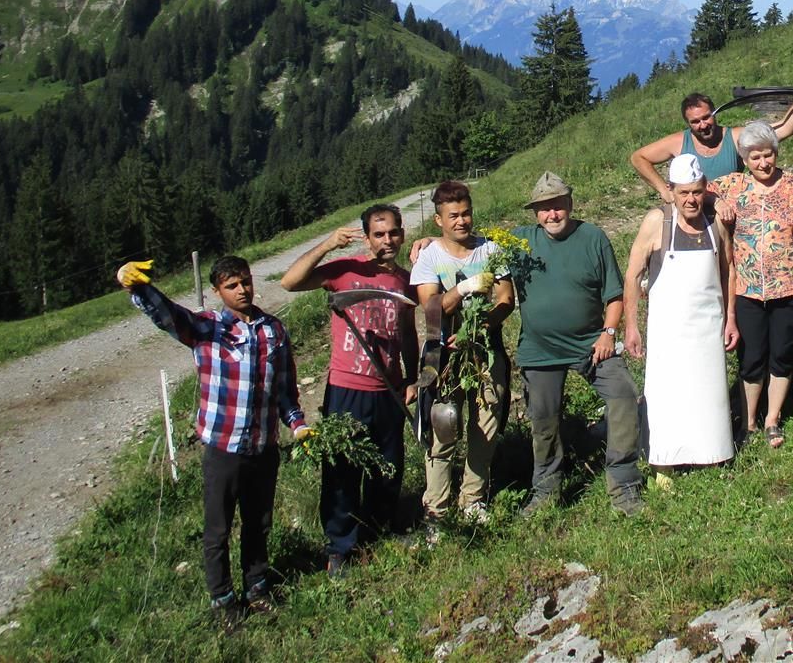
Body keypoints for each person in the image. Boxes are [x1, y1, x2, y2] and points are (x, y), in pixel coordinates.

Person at [117, 256, 310, 627]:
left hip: (263, 446)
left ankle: (257, 588)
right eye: (232, 286)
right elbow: (168, 315)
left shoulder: (274, 331)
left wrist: (297, 425)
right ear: (218, 292)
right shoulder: (206, 329)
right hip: (223, 447)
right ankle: (223, 599)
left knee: (259, 522)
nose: (242, 290)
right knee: (218, 528)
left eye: (246, 282)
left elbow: (285, 389)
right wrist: (137, 287)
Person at [280, 204, 417, 573]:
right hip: (346, 387)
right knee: (342, 466)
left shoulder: (404, 280)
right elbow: (289, 282)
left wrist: (411, 377)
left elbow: (406, 333)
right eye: (378, 234)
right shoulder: (346, 271)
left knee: (388, 464)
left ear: (402, 234)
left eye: (393, 233)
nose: (387, 241)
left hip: (388, 388)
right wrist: (328, 244)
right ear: (367, 237)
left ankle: (379, 529)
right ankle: (339, 545)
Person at [513, 171, 644, 516]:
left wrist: (608, 333)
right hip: (539, 351)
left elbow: (614, 295)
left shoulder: (592, 238)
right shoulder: (519, 242)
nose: (552, 214)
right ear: (534, 214)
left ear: (570, 205)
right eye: (543, 209)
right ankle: (545, 490)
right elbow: (468, 247)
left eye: (558, 206)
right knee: (542, 419)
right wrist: (428, 244)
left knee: (623, 394)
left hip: (591, 343)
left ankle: (624, 482)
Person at [622, 154, 737, 480]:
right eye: (683, 192)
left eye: (697, 192)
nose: (691, 199)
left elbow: (728, 272)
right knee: (666, 394)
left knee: (709, 392)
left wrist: (731, 318)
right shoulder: (657, 222)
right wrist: (631, 325)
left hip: (708, 326)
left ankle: (714, 455)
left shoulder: (715, 224)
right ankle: (664, 464)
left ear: (705, 190)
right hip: (667, 331)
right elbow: (632, 276)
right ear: (671, 190)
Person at [409, 180, 515, 535]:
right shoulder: (429, 257)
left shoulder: (491, 249)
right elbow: (432, 308)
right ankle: (435, 509)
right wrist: (466, 287)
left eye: (466, 213)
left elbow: (506, 300)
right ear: (438, 219)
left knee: (485, 426)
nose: (462, 221)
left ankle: (473, 499)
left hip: (485, 349)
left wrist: (481, 325)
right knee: (442, 426)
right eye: (453, 215)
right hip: (443, 355)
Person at [714, 121, 793, 448]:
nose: (763, 163)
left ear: (776, 153)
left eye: (768, 155)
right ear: (744, 160)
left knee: (783, 353)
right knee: (751, 357)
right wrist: (716, 202)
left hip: (791, 288)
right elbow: (693, 188)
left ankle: (772, 419)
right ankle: (747, 423)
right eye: (755, 158)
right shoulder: (732, 186)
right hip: (746, 290)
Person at [629, 82, 793, 202]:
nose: (703, 125)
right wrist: (664, 190)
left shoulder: (735, 137)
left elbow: (785, 128)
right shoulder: (679, 142)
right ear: (688, 123)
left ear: (715, 114)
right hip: (694, 217)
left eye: (706, 117)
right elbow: (639, 157)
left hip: (731, 216)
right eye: (695, 122)